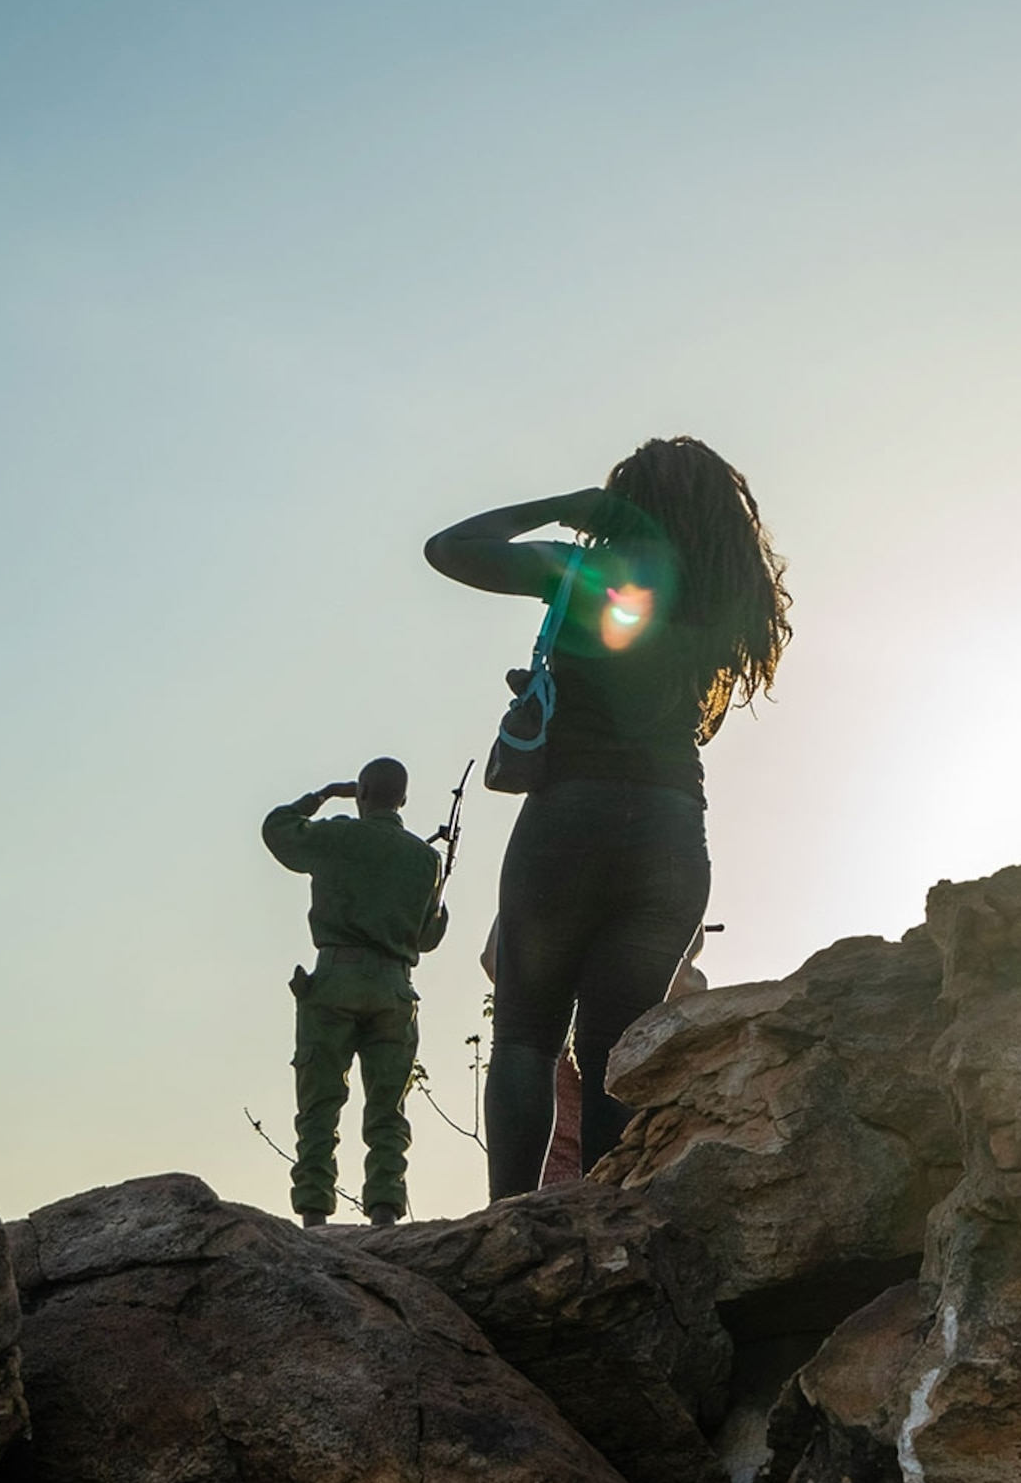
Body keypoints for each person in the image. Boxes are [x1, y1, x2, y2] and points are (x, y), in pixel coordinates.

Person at [425, 437, 790, 1196]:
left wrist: (564, 508)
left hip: (570, 815)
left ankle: (511, 1225)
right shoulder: (730, 597)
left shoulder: (584, 570)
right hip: (671, 830)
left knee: (526, 1036)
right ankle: (605, 1225)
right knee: (616, 1054)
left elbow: (450, 548)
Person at [261, 757, 447, 1228]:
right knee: (388, 1112)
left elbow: (277, 828)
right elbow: (427, 938)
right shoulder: (425, 859)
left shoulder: (336, 836)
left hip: (335, 981)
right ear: (403, 799)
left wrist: (322, 794)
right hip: (394, 991)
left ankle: (314, 1216)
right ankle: (384, 1213)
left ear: (361, 793)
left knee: (319, 1104)